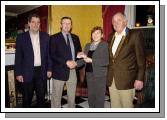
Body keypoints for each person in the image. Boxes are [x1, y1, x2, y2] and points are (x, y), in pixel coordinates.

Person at [107, 12, 146, 108]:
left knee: (127, 108)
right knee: (115, 107)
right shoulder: (111, 36)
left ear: (125, 22)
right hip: (112, 80)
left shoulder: (135, 35)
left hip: (127, 81)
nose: (115, 23)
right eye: (113, 21)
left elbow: (141, 59)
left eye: (119, 20)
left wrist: (140, 79)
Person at [15, 13, 52, 108]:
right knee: (27, 99)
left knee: (41, 97)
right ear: (29, 23)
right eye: (33, 22)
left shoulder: (46, 36)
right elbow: (18, 56)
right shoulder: (21, 37)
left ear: (40, 24)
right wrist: (18, 73)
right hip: (26, 72)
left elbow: (49, 55)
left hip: (42, 71)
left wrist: (49, 69)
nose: (36, 24)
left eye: (38, 22)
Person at [50, 16, 82, 108]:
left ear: (71, 25)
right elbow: (52, 54)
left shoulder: (76, 37)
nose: (67, 25)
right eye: (64, 23)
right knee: (56, 98)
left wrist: (79, 57)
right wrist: (66, 62)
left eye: (69, 23)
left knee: (72, 97)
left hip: (72, 71)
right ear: (61, 25)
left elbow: (78, 52)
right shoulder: (54, 38)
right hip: (59, 70)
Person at [77, 26, 109, 108]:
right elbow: (84, 60)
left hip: (100, 75)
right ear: (91, 35)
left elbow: (106, 61)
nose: (95, 35)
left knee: (99, 96)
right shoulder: (88, 45)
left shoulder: (105, 45)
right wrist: (75, 62)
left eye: (98, 33)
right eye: (94, 33)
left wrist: (92, 60)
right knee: (91, 95)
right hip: (89, 74)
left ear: (102, 35)